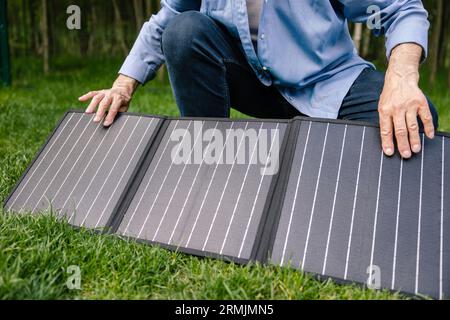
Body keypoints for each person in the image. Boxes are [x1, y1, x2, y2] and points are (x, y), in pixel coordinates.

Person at [79, 0, 439, 159]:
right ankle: (208, 164)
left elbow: (400, 9)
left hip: (328, 82)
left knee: (417, 125)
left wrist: (402, 80)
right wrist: (123, 84)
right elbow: (170, 17)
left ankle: (307, 151)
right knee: (183, 31)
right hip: (254, 83)